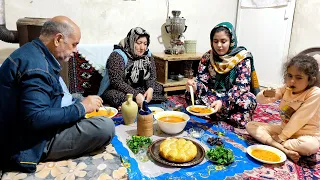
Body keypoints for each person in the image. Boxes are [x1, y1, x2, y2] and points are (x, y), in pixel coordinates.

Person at [0, 16, 115, 172]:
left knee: (81, 102)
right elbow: (35, 118)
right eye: (74, 44)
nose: (76, 51)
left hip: (27, 131)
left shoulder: (34, 52)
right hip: (28, 144)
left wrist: (79, 104)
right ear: (58, 39)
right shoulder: (37, 68)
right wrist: (81, 108)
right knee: (105, 127)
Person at [246, 54, 320, 163]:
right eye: (290, 76)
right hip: (283, 129)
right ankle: (282, 148)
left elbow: (299, 118)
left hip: (306, 134)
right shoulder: (286, 88)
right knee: (250, 125)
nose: (292, 81)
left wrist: (282, 137)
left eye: (298, 78)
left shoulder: (315, 93)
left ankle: (276, 143)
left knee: (310, 146)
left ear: (311, 80)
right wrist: (265, 94)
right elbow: (260, 100)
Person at [186, 22, 259, 128]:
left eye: (223, 41)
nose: (219, 45)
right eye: (215, 41)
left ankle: (224, 116)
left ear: (231, 41)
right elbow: (202, 80)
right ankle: (221, 115)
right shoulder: (207, 57)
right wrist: (194, 85)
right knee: (190, 92)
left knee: (248, 99)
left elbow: (241, 87)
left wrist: (223, 101)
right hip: (213, 95)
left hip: (233, 98)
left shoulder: (242, 58)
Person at [99, 27, 165, 108]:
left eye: (145, 43)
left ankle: (132, 103)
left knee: (159, 88)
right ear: (131, 41)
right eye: (139, 43)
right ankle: (139, 101)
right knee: (115, 96)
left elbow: (152, 75)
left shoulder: (147, 54)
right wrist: (136, 94)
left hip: (138, 87)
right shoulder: (117, 55)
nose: (142, 48)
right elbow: (116, 81)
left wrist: (150, 89)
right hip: (119, 89)